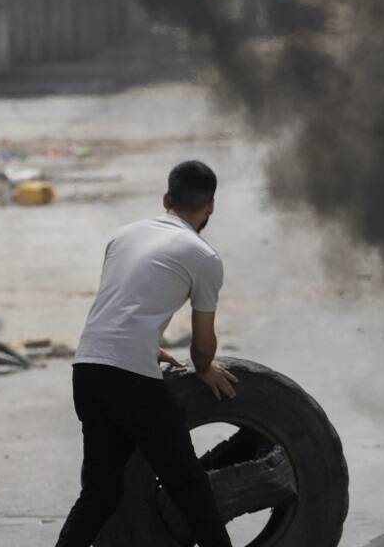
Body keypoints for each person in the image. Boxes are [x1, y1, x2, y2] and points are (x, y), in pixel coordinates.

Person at [56, 160, 236, 547]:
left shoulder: (123, 236)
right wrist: (204, 369)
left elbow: (120, 307)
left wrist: (147, 348)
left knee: (100, 495)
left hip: (87, 369)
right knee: (190, 486)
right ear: (211, 207)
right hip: (128, 380)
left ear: (166, 198)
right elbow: (203, 346)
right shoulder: (203, 256)